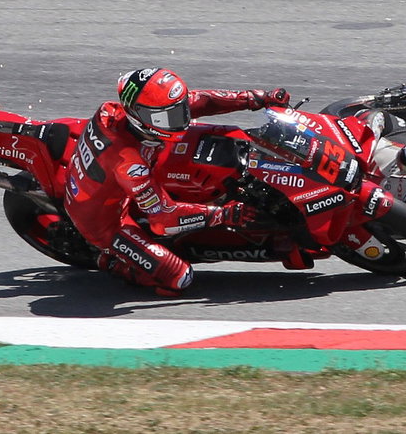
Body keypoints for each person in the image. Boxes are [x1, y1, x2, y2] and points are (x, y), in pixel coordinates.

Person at [64, 67, 293, 295]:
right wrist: (223, 215)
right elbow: (163, 220)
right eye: (168, 116)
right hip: (108, 222)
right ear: (138, 116)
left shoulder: (125, 113)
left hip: (113, 174)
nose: (181, 119)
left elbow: (202, 102)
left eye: (180, 109)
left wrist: (256, 98)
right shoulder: (130, 164)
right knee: (179, 279)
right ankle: (109, 261)